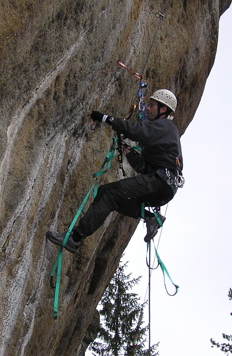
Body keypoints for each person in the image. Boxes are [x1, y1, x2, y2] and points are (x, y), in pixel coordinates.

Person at [46, 89, 184, 253]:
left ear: (163, 109)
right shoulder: (162, 133)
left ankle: (74, 239)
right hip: (162, 186)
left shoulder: (165, 127)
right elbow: (143, 167)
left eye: (152, 105)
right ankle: (150, 217)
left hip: (160, 182)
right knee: (108, 194)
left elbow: (138, 130)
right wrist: (128, 152)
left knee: (110, 194)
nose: (147, 108)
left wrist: (106, 118)